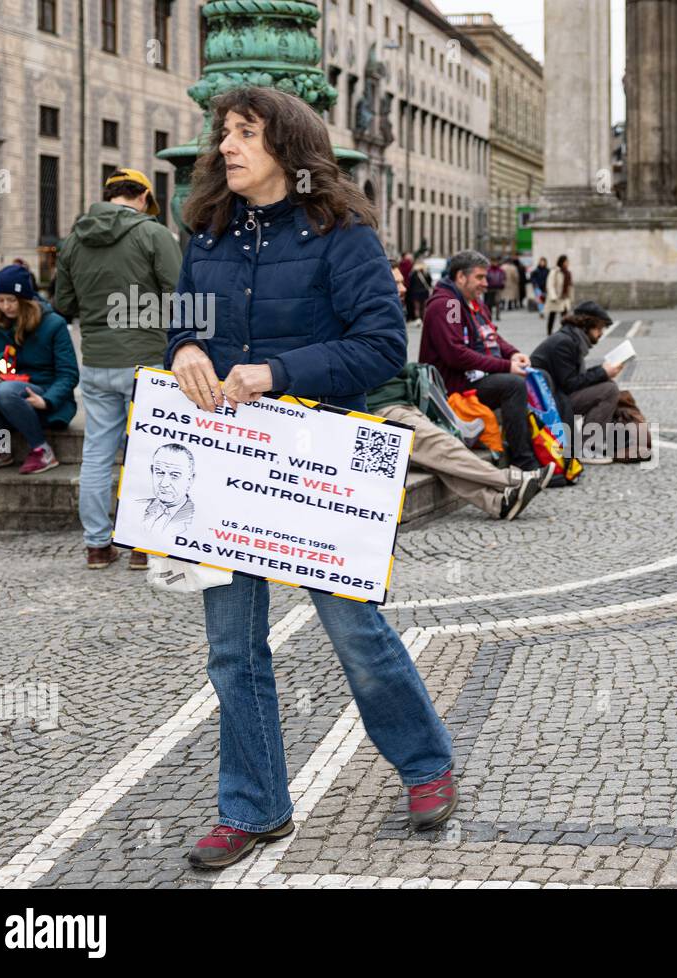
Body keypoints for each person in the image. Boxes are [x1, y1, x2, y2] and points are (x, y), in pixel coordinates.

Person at [164, 86, 455, 869]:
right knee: (231, 649)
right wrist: (185, 349)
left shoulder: (342, 232)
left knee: (353, 630)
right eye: (223, 132)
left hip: (320, 458)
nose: (227, 146)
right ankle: (253, 807)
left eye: (246, 133)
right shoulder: (207, 232)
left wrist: (275, 372)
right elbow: (184, 322)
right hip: (224, 463)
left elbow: (378, 348)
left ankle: (426, 763)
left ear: (289, 148)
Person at [52, 166, 184, 570]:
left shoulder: (74, 240)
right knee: (147, 450)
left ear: (107, 195)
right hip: (145, 359)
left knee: (96, 453)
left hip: (96, 361)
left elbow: (63, 305)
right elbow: (180, 293)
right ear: (143, 197)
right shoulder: (153, 233)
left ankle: (96, 545)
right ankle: (142, 545)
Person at [366, 365, 554, 520]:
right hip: (377, 409)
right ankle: (511, 479)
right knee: (442, 447)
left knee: (437, 456)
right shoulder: (356, 327)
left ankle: (499, 503)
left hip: (399, 401)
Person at [418, 249, 541, 472]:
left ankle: (548, 452)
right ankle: (524, 462)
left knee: (537, 376)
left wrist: (512, 353)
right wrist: (506, 366)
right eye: (480, 277)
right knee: (513, 384)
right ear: (460, 277)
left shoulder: (475, 303)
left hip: (477, 378)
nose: (486, 283)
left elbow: (492, 337)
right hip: (454, 387)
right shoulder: (451, 305)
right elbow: (455, 353)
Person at [0, 264, 78, 474]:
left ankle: (42, 450)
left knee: (5, 390)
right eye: (0, 300)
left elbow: (69, 374)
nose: (6, 306)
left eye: (11, 300)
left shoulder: (54, 324)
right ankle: (2, 450)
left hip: (42, 393)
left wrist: (47, 400)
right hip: (5, 395)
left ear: (25, 299)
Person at [530, 301, 625, 463]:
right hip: (548, 405)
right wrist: (602, 372)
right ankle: (586, 448)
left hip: (555, 397)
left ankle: (591, 443)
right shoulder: (564, 343)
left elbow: (571, 379)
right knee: (608, 390)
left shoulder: (570, 339)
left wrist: (602, 372)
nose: (600, 333)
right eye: (599, 328)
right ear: (586, 325)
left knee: (607, 385)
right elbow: (570, 384)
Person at [545, 254, 574, 335]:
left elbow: (570, 285)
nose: (567, 263)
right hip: (556, 297)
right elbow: (550, 284)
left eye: (568, 261)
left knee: (565, 316)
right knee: (552, 315)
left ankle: (564, 331)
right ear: (561, 262)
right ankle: (549, 332)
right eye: (566, 261)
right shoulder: (555, 271)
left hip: (564, 297)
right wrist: (553, 296)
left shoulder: (568, 272)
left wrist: (571, 297)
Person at [406, 257, 432, 324]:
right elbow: (429, 282)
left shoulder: (413, 273)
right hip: (424, 292)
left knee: (417, 307)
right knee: (424, 307)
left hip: (415, 292)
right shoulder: (426, 273)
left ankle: (418, 320)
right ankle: (423, 319)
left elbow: (410, 283)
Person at [483, 256, 505, 320]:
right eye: (493, 261)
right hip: (490, 288)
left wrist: (502, 284)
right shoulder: (488, 270)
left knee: (497, 302)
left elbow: (503, 278)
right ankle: (490, 316)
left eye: (495, 262)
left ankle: (498, 316)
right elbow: (485, 278)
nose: (494, 263)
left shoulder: (500, 270)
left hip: (498, 288)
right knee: (489, 303)